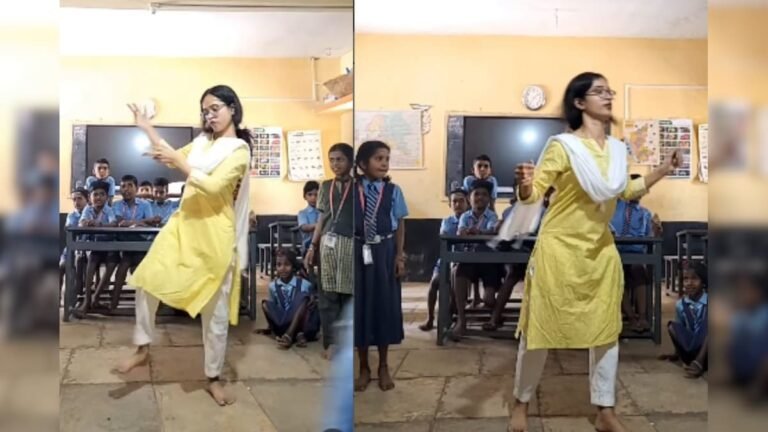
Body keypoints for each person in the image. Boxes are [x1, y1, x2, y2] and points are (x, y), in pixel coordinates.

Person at [509, 72, 681, 432]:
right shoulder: (562, 146)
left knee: (605, 331)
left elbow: (625, 191)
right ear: (579, 102)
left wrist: (664, 169)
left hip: (600, 251)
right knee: (539, 331)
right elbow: (535, 192)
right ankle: (520, 402)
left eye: (610, 91)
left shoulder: (618, 149)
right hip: (558, 249)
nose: (608, 96)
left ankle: (605, 410)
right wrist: (524, 184)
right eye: (599, 91)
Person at [115, 84, 251, 406]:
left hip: (215, 235)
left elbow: (216, 187)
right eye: (205, 110)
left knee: (214, 315)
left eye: (215, 107)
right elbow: (174, 159)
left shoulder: (239, 150)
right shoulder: (203, 143)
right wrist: (147, 129)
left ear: (233, 108)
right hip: (183, 225)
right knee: (146, 280)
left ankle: (213, 378)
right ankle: (142, 348)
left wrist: (179, 160)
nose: (209, 114)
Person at [353, 140, 408, 392]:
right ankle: (363, 366)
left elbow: (399, 225)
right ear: (363, 164)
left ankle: (383, 365)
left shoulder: (393, 191)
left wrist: (399, 257)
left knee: (384, 307)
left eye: (386, 158)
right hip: (358, 252)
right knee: (361, 308)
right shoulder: (352, 190)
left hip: (384, 252)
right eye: (378, 158)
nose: (384, 163)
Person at [305, 143, 355, 360]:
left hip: (351, 245)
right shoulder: (325, 187)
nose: (335, 164)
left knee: (349, 294)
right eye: (332, 159)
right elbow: (322, 218)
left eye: (340, 159)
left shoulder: (359, 186)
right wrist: (312, 247)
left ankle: (349, 342)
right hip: (328, 245)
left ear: (351, 162)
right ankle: (331, 342)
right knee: (327, 295)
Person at [451, 180, 501, 340]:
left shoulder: (492, 215)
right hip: (470, 258)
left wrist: (477, 232)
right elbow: (461, 233)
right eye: (476, 194)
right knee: (459, 273)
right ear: (469, 198)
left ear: (489, 199)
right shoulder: (465, 216)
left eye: (484, 194)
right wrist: (473, 233)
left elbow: (494, 232)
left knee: (489, 299)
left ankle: (495, 314)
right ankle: (461, 319)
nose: (480, 197)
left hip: (489, 262)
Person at [610, 173, 655, 333]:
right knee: (616, 277)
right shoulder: (613, 207)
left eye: (641, 189)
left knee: (639, 272)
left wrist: (656, 230)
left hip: (636, 254)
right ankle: (631, 317)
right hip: (616, 253)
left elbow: (650, 237)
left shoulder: (646, 214)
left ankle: (642, 317)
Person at [419, 188, 468, 331]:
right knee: (434, 283)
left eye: (461, 201)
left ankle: (453, 318)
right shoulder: (447, 221)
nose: (458, 204)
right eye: (454, 201)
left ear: (467, 203)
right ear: (450, 204)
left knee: (455, 287)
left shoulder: (471, 219)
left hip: (464, 261)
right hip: (447, 260)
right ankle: (430, 318)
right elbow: (445, 237)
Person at [105, 174, 155, 310]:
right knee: (126, 262)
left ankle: (114, 303)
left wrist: (133, 222)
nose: (126, 189)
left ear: (136, 188)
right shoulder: (116, 205)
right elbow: (119, 223)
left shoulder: (145, 204)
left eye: (130, 186)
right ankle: (142, 305)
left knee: (126, 265)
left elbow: (151, 225)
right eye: (123, 186)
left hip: (140, 244)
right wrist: (142, 222)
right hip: (122, 245)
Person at [258, 248, 319, 348]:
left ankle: (290, 335)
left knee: (304, 296)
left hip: (302, 324)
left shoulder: (305, 284)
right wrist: (269, 329)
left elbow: (311, 308)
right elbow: (275, 308)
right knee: (265, 303)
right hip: (284, 322)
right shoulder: (273, 286)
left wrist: (313, 298)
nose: (283, 268)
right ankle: (296, 335)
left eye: (287, 265)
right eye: (279, 265)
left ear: (293, 266)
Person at [659, 263, 708, 378]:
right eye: (686, 279)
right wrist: (676, 353)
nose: (689, 283)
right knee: (672, 326)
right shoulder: (680, 305)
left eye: (694, 279)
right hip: (692, 349)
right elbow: (682, 330)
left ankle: (699, 363)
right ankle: (693, 360)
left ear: (703, 282)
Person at [78, 181, 118, 314]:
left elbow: (113, 224)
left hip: (109, 247)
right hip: (95, 247)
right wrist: (87, 223)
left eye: (102, 194)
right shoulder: (87, 209)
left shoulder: (109, 209)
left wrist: (98, 224)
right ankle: (87, 300)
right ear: (90, 197)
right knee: (90, 264)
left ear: (107, 197)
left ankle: (96, 297)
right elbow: (82, 223)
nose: (98, 197)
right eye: (95, 194)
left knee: (112, 264)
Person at [59, 188, 89, 301]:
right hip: (71, 248)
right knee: (60, 266)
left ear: (87, 199)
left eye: (80, 199)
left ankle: (76, 298)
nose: (77, 202)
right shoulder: (71, 215)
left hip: (86, 249)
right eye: (74, 199)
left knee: (78, 265)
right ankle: (58, 297)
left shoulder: (91, 213)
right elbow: (69, 230)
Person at [297, 181, 320, 255]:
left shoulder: (323, 212)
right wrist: (318, 225)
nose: (313, 197)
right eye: (310, 195)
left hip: (322, 243)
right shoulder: (303, 213)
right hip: (308, 245)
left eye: (316, 195)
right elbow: (304, 227)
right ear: (305, 196)